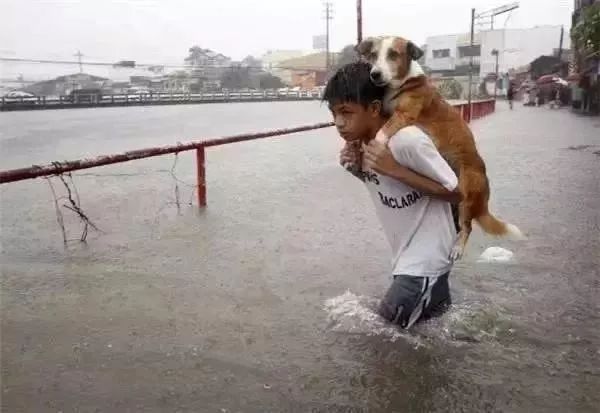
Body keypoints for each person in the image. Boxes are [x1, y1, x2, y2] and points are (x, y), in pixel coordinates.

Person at [323, 62, 461, 329]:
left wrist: (395, 169)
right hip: (413, 263)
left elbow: (458, 193)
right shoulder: (364, 145)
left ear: (374, 108)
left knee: (383, 347)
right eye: (334, 113)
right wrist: (358, 171)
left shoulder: (407, 140)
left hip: (423, 265)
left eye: (346, 112)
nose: (339, 123)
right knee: (430, 339)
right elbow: (391, 190)